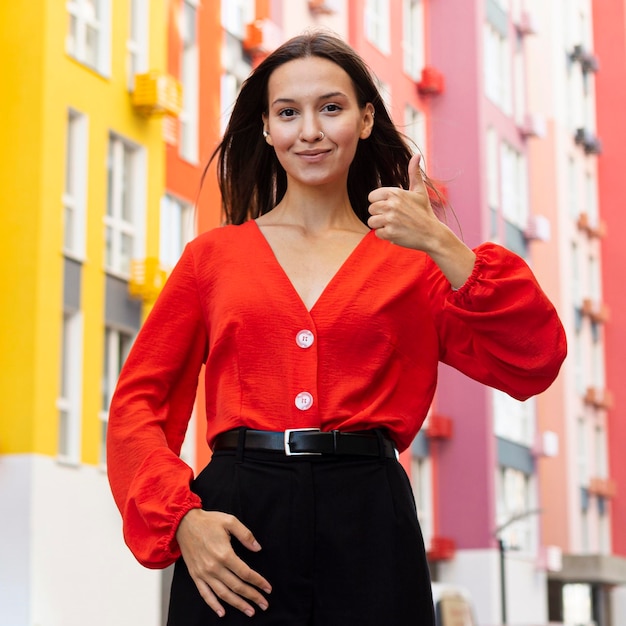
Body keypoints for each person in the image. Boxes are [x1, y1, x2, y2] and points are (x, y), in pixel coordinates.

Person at [107, 31, 566, 625]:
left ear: (366, 118)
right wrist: (182, 520)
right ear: (268, 129)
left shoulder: (414, 262)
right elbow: (137, 404)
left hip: (370, 522)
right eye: (287, 113)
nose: (310, 131)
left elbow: (533, 361)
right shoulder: (211, 259)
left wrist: (443, 244)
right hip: (238, 530)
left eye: (331, 107)